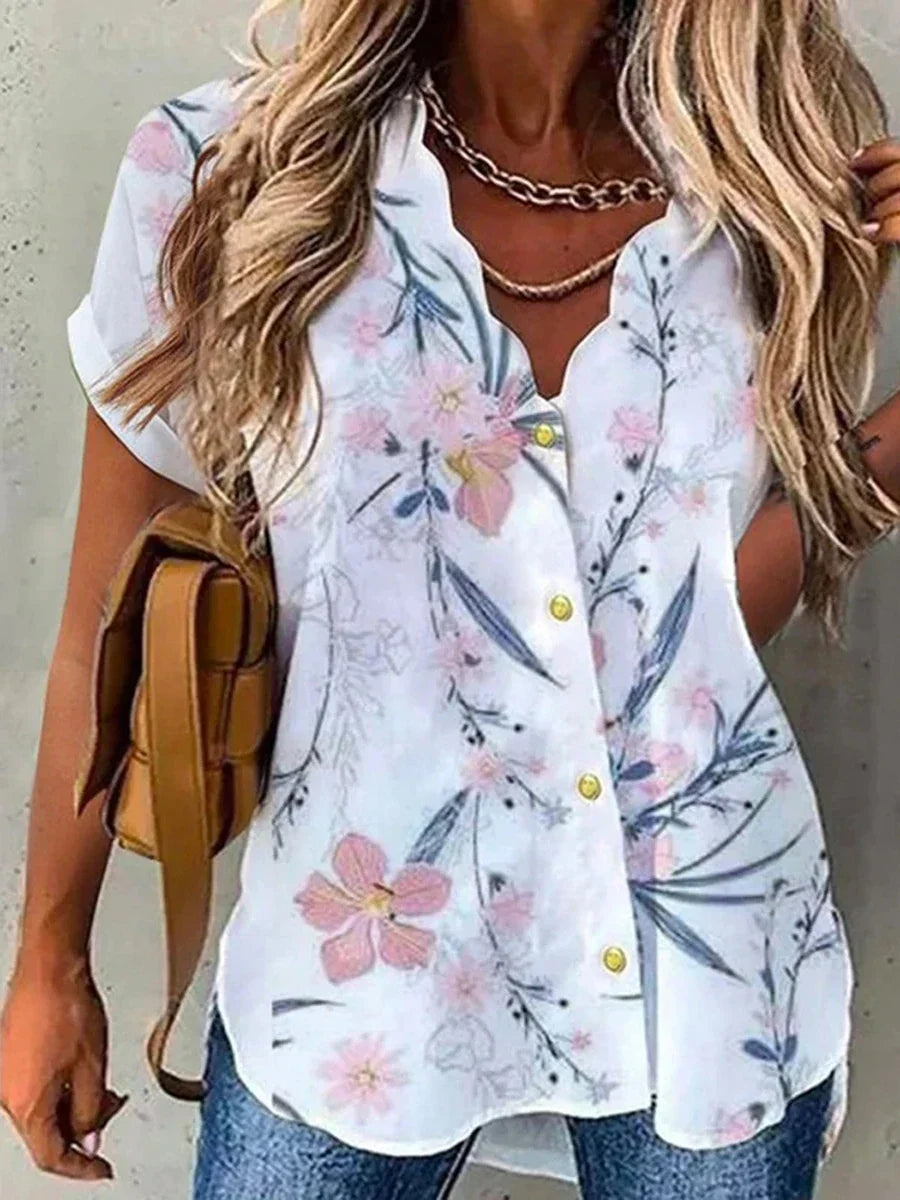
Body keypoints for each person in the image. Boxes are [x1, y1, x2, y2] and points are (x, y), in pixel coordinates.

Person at [3, 1, 900, 1197]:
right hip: (352, 988)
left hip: (710, 974)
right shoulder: (226, 173)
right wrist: (51, 955)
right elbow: (98, 628)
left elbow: (703, 634)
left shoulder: (768, 188)